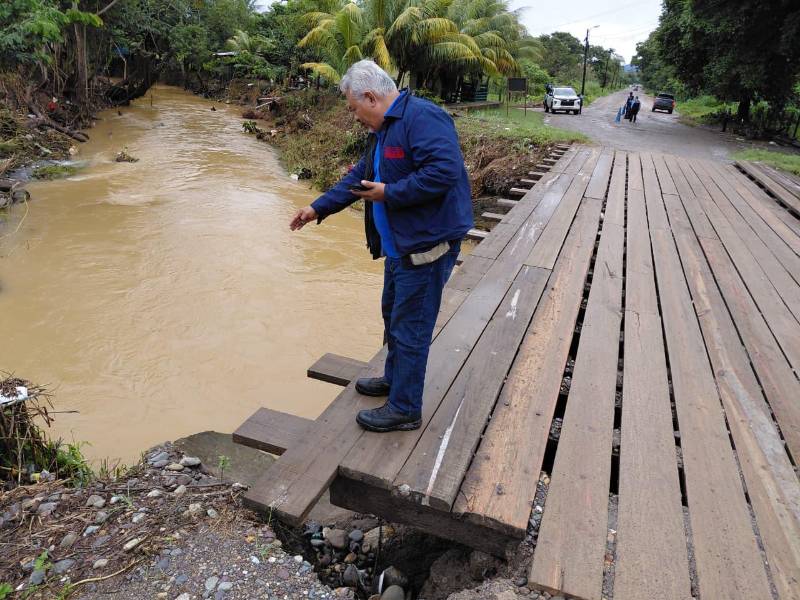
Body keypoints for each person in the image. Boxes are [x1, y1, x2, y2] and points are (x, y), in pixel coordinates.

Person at [289, 60, 473, 433]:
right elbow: (361, 177)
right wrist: (316, 208)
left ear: (371, 97)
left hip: (425, 246)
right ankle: (395, 381)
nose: (355, 117)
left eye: (355, 109)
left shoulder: (423, 118)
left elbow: (444, 171)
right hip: (399, 247)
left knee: (411, 328)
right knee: (394, 318)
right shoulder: (385, 129)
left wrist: (390, 193)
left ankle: (405, 408)